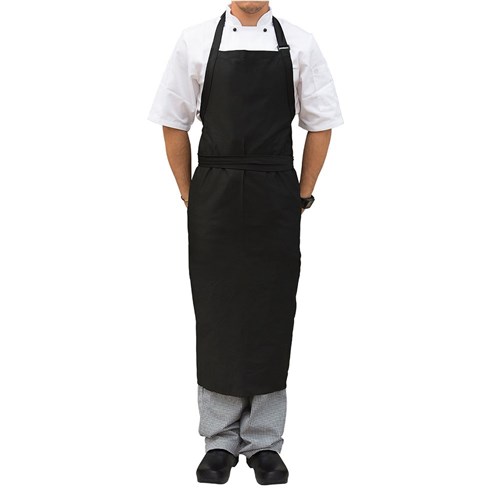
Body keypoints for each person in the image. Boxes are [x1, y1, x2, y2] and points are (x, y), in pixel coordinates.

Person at [147, 1, 343, 485]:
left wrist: (301, 195)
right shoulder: (195, 39)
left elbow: (321, 122)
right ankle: (218, 441)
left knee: (271, 311)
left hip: (274, 190)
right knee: (218, 311)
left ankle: (264, 443)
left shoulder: (300, 43)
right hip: (213, 189)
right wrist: (190, 194)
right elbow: (173, 119)